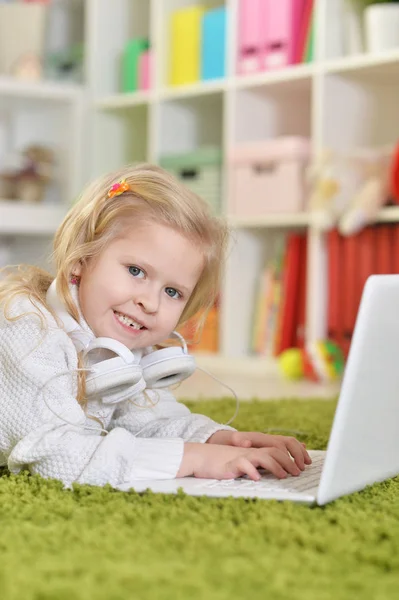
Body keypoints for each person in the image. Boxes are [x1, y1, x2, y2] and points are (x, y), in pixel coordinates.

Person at [0, 164, 311, 490]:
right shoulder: (25, 328)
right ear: (82, 257)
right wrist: (194, 459)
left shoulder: (122, 345)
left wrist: (223, 441)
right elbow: (52, 454)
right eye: (136, 271)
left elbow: (149, 421)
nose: (151, 303)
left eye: (172, 292)